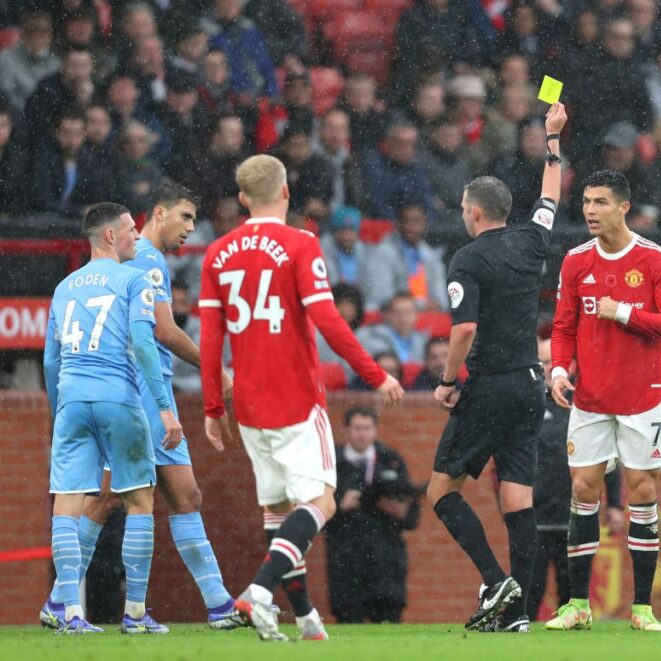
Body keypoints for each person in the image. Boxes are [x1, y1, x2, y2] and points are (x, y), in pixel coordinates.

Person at [199, 154, 404, 641]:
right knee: (321, 504)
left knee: (279, 514)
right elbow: (329, 321)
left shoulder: (217, 253)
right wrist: (375, 374)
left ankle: (306, 618)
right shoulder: (300, 243)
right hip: (294, 399)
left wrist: (213, 407)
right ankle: (259, 592)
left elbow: (211, 340)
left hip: (248, 405)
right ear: (287, 191)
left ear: (243, 198)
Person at [39, 184, 239, 631]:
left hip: (82, 395)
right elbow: (160, 334)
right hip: (135, 394)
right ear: (159, 213)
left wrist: (58, 407)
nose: (190, 228)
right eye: (185, 217)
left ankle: (217, 604)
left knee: (156, 496)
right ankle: (126, 610)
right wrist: (213, 371)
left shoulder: (72, 282)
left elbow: (51, 356)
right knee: (128, 498)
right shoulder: (142, 262)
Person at [426, 103, 566, 633]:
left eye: (465, 207)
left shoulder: (469, 258)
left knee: (441, 492)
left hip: (490, 384)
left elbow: (463, 331)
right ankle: (520, 614)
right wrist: (553, 139)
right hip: (532, 384)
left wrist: (446, 382)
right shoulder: (533, 240)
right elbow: (550, 193)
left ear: (475, 211)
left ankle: (494, 580)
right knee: (517, 497)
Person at [546, 169, 661, 634]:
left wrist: (624, 311)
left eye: (601, 202)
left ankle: (642, 608)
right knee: (583, 489)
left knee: (642, 493)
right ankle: (575, 605)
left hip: (641, 398)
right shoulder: (575, 261)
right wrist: (560, 369)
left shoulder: (654, 259)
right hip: (590, 397)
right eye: (587, 201)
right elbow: (563, 326)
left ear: (623, 207)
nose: (590, 210)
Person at [42, 202, 183, 634]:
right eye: (130, 231)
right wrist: (163, 406)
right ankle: (135, 614)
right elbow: (144, 345)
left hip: (71, 399)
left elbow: (50, 360)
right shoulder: (134, 279)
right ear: (109, 236)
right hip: (118, 399)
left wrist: (58, 412)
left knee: (67, 506)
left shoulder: (64, 287)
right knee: (139, 501)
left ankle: (68, 613)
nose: (137, 237)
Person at [530, 337, 624, 621]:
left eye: (552, 362)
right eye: (542, 362)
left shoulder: (586, 405)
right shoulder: (529, 403)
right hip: (535, 517)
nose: (547, 368)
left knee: (571, 591)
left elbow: (607, 457)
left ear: (567, 366)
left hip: (576, 514)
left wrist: (616, 504)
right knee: (530, 591)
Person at [326, 407, 421, 623]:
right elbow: (316, 513)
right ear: (347, 430)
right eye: (357, 428)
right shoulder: (332, 463)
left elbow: (411, 512)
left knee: (389, 621)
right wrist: (340, 505)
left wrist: (396, 509)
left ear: (375, 430)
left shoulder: (391, 460)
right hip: (345, 556)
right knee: (348, 622)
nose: (362, 434)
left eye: (367, 428)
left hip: (385, 556)